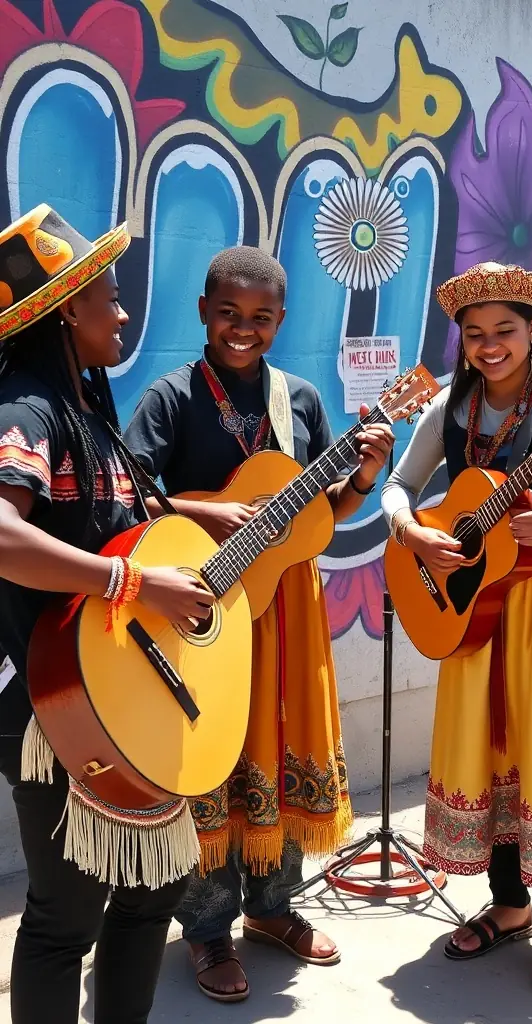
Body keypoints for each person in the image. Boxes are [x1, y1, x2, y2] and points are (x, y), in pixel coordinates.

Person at [124, 245, 395, 1002]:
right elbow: (130, 491)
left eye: (261, 317)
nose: (244, 329)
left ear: (280, 321)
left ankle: (273, 908)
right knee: (211, 758)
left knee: (281, 745)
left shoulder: (298, 398)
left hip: (287, 606)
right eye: (229, 314)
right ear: (203, 312)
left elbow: (321, 512)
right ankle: (207, 929)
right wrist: (204, 510)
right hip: (205, 608)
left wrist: (365, 476)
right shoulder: (171, 396)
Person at [380, 261, 532, 992]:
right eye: (475, 334)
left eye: (505, 330)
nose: (490, 346)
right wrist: (413, 534)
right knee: (491, 754)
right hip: (473, 611)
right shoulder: (451, 407)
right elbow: (399, 485)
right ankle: (510, 906)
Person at [0, 205, 214, 1023]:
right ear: (65, 313)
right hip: (52, 707)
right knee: (65, 918)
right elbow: (3, 534)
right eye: (111, 299)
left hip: (120, 696)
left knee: (153, 892)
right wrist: (132, 585)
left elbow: (104, 521)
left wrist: (204, 518)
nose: (123, 315)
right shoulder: (28, 409)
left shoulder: (85, 406)